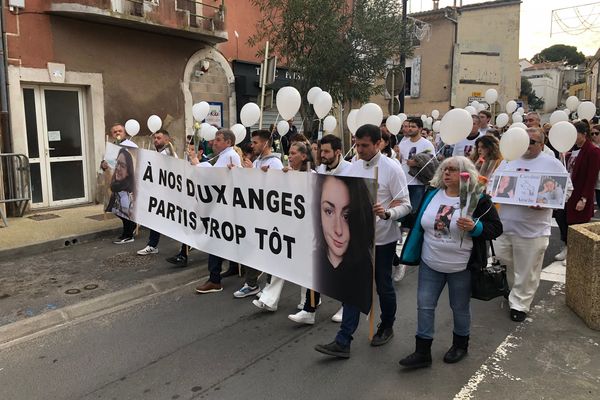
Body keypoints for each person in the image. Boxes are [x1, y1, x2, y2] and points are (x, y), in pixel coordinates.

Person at [315, 123, 411, 359]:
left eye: (365, 145)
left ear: (379, 143)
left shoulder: (392, 168)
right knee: (352, 288)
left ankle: (387, 324)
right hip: (358, 238)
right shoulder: (354, 166)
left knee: (383, 285)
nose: (359, 150)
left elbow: (406, 204)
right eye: (357, 145)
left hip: (382, 240)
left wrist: (387, 213)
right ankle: (343, 340)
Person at [398, 156, 502, 368]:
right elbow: (418, 220)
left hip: (461, 267)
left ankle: (460, 345)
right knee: (424, 306)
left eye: (453, 170)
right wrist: (392, 214)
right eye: (445, 169)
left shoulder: (478, 199)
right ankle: (422, 351)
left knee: (459, 307)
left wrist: (476, 228)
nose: (447, 173)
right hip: (430, 263)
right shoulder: (432, 194)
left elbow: (496, 228)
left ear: (466, 174)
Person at [493, 127, 569, 322]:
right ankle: (512, 291)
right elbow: (493, 184)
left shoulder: (552, 164)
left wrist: (545, 202)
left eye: (532, 142)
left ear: (542, 145)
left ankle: (520, 304)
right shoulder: (508, 160)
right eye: (523, 141)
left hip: (533, 229)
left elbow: (566, 191)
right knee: (504, 260)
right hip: (504, 225)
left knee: (527, 269)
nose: (526, 145)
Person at [289, 134, 351, 325]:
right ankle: (309, 309)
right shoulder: (320, 170)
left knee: (341, 269)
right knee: (315, 266)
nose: (321, 155)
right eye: (320, 150)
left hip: (343, 227)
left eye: (326, 151)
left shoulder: (350, 170)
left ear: (338, 152)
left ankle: (346, 306)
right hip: (321, 225)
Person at [252, 141, 313, 312]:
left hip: (306, 229)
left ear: (304, 156)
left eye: (294, 153)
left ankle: (307, 301)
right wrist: (267, 176)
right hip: (288, 227)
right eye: (289, 153)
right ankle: (270, 299)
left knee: (305, 266)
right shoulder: (285, 173)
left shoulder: (312, 174)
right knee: (280, 260)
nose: (290, 156)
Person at [233, 129, 283, 300]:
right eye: (252, 142)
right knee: (251, 248)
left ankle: (266, 288)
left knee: (267, 252)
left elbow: (279, 189)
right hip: (255, 214)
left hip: (268, 217)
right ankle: (252, 283)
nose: (251, 145)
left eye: (255, 142)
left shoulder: (275, 163)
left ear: (265, 143)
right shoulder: (257, 161)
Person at [195, 129, 242, 294]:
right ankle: (235, 267)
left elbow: (218, 180)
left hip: (225, 206)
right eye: (215, 139)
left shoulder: (231, 156)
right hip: (222, 205)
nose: (214, 142)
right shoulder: (223, 156)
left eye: (218, 139)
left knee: (215, 240)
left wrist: (199, 167)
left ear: (228, 142)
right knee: (225, 238)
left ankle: (214, 279)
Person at [554, 120, 600, 264]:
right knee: (562, 219)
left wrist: (585, 198)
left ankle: (575, 252)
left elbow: (591, 177)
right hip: (566, 193)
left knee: (576, 223)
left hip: (579, 193)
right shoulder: (569, 151)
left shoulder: (593, 151)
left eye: (575, 134)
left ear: (583, 134)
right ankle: (566, 246)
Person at [137, 129, 178, 256]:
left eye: (159, 138)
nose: (155, 140)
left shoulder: (169, 154)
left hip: (169, 194)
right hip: (158, 193)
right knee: (155, 219)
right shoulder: (155, 153)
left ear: (167, 140)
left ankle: (189, 246)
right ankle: (152, 245)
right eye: (155, 138)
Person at [109, 123, 139, 245]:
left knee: (126, 210)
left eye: (119, 131)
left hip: (128, 184)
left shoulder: (131, 146)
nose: (117, 133)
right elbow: (108, 163)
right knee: (118, 210)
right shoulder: (112, 147)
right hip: (117, 184)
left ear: (124, 132)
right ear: (112, 134)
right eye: (115, 132)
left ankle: (128, 234)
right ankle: (127, 230)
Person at [106, 147, 136, 224]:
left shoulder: (128, 194)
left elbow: (127, 215)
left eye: (122, 166)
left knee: (127, 221)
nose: (118, 168)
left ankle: (129, 234)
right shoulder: (116, 187)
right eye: (117, 163)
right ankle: (126, 233)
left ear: (128, 172)